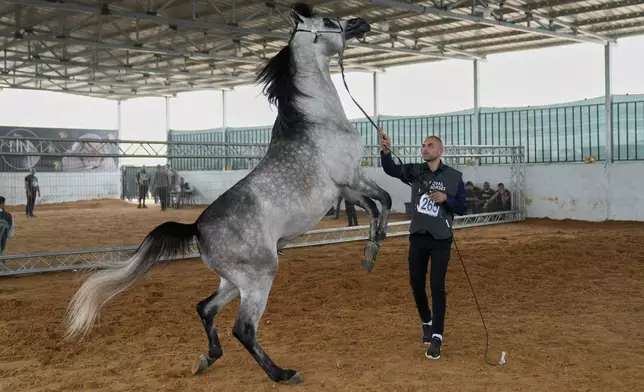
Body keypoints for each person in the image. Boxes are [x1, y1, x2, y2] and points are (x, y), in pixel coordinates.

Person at [379, 129, 467, 360]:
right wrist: (386, 151)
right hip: (418, 237)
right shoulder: (415, 171)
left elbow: (463, 208)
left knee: (437, 286)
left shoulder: (455, 177)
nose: (424, 148)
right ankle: (426, 321)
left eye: (430, 145)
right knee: (416, 284)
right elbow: (390, 169)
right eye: (423, 145)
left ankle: (437, 336)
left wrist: (447, 199)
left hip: (441, 240)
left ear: (441, 150)